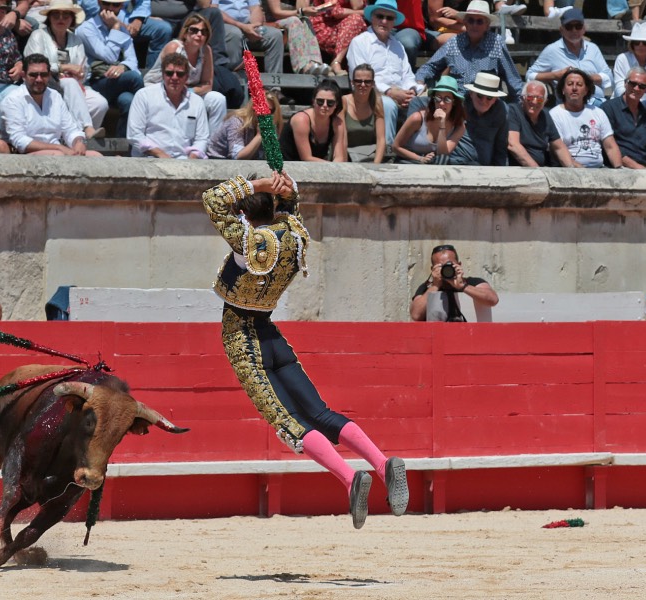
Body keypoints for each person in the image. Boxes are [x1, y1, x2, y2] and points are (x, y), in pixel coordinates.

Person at [202, 170, 409, 530]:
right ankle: (381, 461)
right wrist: (283, 188)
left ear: (246, 214)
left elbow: (213, 200)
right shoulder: (294, 234)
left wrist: (262, 185)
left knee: (288, 423)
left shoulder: (248, 244)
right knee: (319, 412)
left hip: (243, 338)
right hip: (271, 334)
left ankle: (348, 480)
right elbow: (291, 204)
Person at [24, 0, 109, 137]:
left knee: (100, 103)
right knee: (69, 83)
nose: (61, 19)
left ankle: (79, 138)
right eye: (56, 15)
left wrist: (81, 73)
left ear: (72, 19)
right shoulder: (38, 35)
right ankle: (87, 129)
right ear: (49, 18)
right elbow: (33, 64)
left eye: (66, 15)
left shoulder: (76, 40)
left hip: (74, 86)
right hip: (46, 84)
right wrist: (63, 67)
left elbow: (84, 68)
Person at [415, 0, 523, 103]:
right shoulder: (454, 42)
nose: (474, 25)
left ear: (487, 25)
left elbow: (513, 79)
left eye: (479, 21)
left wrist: (520, 107)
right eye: (471, 20)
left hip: (486, 105)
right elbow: (429, 67)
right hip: (457, 106)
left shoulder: (496, 43)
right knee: (418, 103)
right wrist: (419, 81)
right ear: (465, 23)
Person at [345, 0, 423, 144]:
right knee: (387, 104)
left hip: (400, 94)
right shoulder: (360, 42)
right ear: (372, 18)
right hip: (370, 94)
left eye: (389, 18)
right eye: (380, 16)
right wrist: (389, 92)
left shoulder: (398, 45)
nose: (384, 21)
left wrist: (411, 91)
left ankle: (418, 150)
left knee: (425, 101)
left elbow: (407, 75)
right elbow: (361, 78)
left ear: (394, 22)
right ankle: (387, 151)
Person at [1, 53, 103, 155]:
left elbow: (70, 129)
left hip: (58, 152)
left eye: (43, 75)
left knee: (95, 155)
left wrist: (78, 141)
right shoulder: (13, 100)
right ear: (23, 76)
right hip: (24, 155)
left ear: (49, 75)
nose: (39, 79)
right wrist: (58, 148)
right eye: (33, 75)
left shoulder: (55, 96)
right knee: (58, 155)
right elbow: (20, 141)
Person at [142, 14, 227, 130]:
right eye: (194, 30)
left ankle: (214, 144)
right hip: (162, 89)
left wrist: (190, 91)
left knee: (218, 99)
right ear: (186, 33)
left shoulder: (206, 50)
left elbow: (207, 84)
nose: (199, 34)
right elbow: (171, 79)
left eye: (204, 31)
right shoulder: (174, 48)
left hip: (188, 92)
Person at [77, 0, 146, 136]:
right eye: (106, 3)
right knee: (134, 78)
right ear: (99, 3)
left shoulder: (123, 29)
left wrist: (123, 66)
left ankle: (123, 147)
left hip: (120, 81)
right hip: (97, 81)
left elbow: (132, 61)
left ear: (122, 6)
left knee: (128, 100)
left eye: (115, 5)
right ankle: (149, 123)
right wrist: (115, 27)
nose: (110, 8)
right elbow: (108, 56)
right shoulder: (86, 29)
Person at [127, 53, 210, 158]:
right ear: (162, 75)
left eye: (180, 74)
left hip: (185, 162)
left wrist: (192, 159)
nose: (174, 77)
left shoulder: (197, 102)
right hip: (150, 160)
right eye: (169, 73)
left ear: (186, 77)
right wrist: (160, 154)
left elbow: (202, 138)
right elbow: (134, 134)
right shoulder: (144, 96)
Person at [525, 9, 613, 105]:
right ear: (561, 30)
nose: (574, 30)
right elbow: (530, 76)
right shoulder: (552, 50)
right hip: (568, 104)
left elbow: (608, 76)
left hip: (597, 101)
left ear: (584, 29)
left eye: (578, 26)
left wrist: (586, 78)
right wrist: (554, 76)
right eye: (569, 27)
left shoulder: (593, 48)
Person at [549, 68, 623, 169]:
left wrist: (619, 169)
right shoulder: (555, 114)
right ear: (563, 89)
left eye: (579, 85)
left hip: (600, 169)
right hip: (568, 170)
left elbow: (610, 147)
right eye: (570, 84)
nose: (574, 88)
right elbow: (559, 149)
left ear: (586, 90)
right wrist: (584, 173)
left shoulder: (598, 112)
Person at [410, 243, 498, 322]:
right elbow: (415, 315)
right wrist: (435, 286)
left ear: (459, 264)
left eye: (450, 265)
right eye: (441, 266)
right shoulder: (427, 288)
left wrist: (463, 287)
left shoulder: (472, 283)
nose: (446, 269)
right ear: (432, 269)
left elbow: (493, 300)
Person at [79, 0, 174, 70]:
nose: (111, 6)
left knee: (163, 29)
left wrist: (138, 19)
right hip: (95, 23)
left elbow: (143, 2)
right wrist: (117, 25)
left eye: (115, 4)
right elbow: (79, 8)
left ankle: (152, 75)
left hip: (126, 18)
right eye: (107, 3)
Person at [393, 75, 466, 164]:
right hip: (409, 161)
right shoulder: (417, 118)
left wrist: (441, 125)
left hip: (433, 162)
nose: (441, 103)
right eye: (438, 98)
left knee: (443, 159)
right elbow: (396, 147)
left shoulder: (458, 126)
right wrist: (420, 159)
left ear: (454, 102)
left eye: (447, 99)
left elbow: (443, 153)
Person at [507, 80, 577, 167]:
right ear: (522, 98)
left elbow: (559, 147)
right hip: (519, 169)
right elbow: (513, 145)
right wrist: (537, 170)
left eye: (539, 99)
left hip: (541, 168)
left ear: (545, 102)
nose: (534, 102)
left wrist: (572, 169)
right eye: (530, 98)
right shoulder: (513, 111)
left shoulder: (545, 115)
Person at [601, 67, 646, 170]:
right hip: (618, 168)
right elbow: (609, 145)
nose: (636, 88)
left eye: (642, 86)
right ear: (625, 83)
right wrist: (638, 168)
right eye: (633, 84)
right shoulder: (608, 108)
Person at [216, 0, 286, 85]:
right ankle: (232, 84)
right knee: (234, 33)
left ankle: (273, 88)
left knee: (275, 35)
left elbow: (256, 8)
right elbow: (215, 10)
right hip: (224, 25)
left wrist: (254, 26)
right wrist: (241, 26)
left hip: (247, 26)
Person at [279, 79, 348, 162]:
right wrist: (332, 166)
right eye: (320, 101)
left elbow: (339, 157)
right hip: (286, 165)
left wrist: (335, 168)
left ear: (336, 104)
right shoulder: (301, 120)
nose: (325, 105)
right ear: (313, 101)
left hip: (315, 167)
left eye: (330, 103)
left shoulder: (337, 123)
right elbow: (306, 157)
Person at [207, 90, 283, 159]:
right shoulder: (236, 121)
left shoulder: (270, 124)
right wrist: (259, 136)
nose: (266, 114)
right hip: (218, 161)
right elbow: (238, 156)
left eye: (270, 111)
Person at [263, 0, 331, 76]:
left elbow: (303, 11)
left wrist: (302, 9)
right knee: (294, 20)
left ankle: (315, 63)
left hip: (292, 23)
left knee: (305, 20)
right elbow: (276, 13)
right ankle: (303, 66)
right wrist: (301, 11)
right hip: (272, 23)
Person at [308, 0, 368, 77]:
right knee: (356, 18)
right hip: (324, 27)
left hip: (345, 28)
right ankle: (336, 63)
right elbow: (336, 12)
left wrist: (359, 11)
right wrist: (363, 12)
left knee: (358, 22)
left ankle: (338, 62)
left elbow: (357, 6)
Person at [343, 63, 387, 162]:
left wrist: (376, 165)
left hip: (369, 157)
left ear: (373, 84)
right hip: (347, 156)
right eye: (358, 81)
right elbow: (341, 137)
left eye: (367, 82)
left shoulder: (377, 102)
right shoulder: (344, 102)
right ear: (352, 82)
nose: (363, 85)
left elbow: (381, 139)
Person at [463, 71, 507, 166]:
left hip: (484, 169)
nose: (483, 101)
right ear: (471, 93)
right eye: (479, 95)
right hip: (457, 164)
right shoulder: (459, 105)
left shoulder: (502, 111)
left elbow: (501, 147)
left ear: (495, 99)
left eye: (489, 97)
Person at [612, 22, 646, 101]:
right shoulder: (622, 59)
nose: (641, 45)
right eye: (637, 42)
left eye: (645, 43)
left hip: (644, 104)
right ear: (632, 44)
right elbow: (620, 88)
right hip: (622, 102)